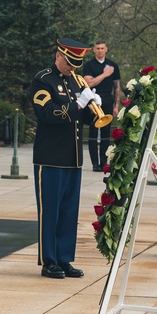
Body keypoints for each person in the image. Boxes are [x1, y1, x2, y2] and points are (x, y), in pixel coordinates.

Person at [30, 38, 98, 279]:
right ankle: (49, 260)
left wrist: (91, 104)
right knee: (50, 212)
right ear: (58, 55)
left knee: (69, 211)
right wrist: (77, 104)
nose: (72, 68)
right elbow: (48, 113)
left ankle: (64, 258)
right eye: (69, 63)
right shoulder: (43, 80)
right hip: (50, 156)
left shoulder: (76, 80)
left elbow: (85, 120)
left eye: (75, 65)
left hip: (73, 157)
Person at [82, 40, 122, 171]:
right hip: (93, 99)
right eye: (97, 48)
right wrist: (105, 74)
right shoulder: (89, 65)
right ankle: (94, 163)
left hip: (107, 99)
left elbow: (116, 87)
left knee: (105, 133)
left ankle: (103, 162)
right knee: (93, 132)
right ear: (94, 50)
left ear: (106, 49)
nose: (100, 50)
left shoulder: (113, 65)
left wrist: (116, 105)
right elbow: (90, 83)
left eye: (102, 48)